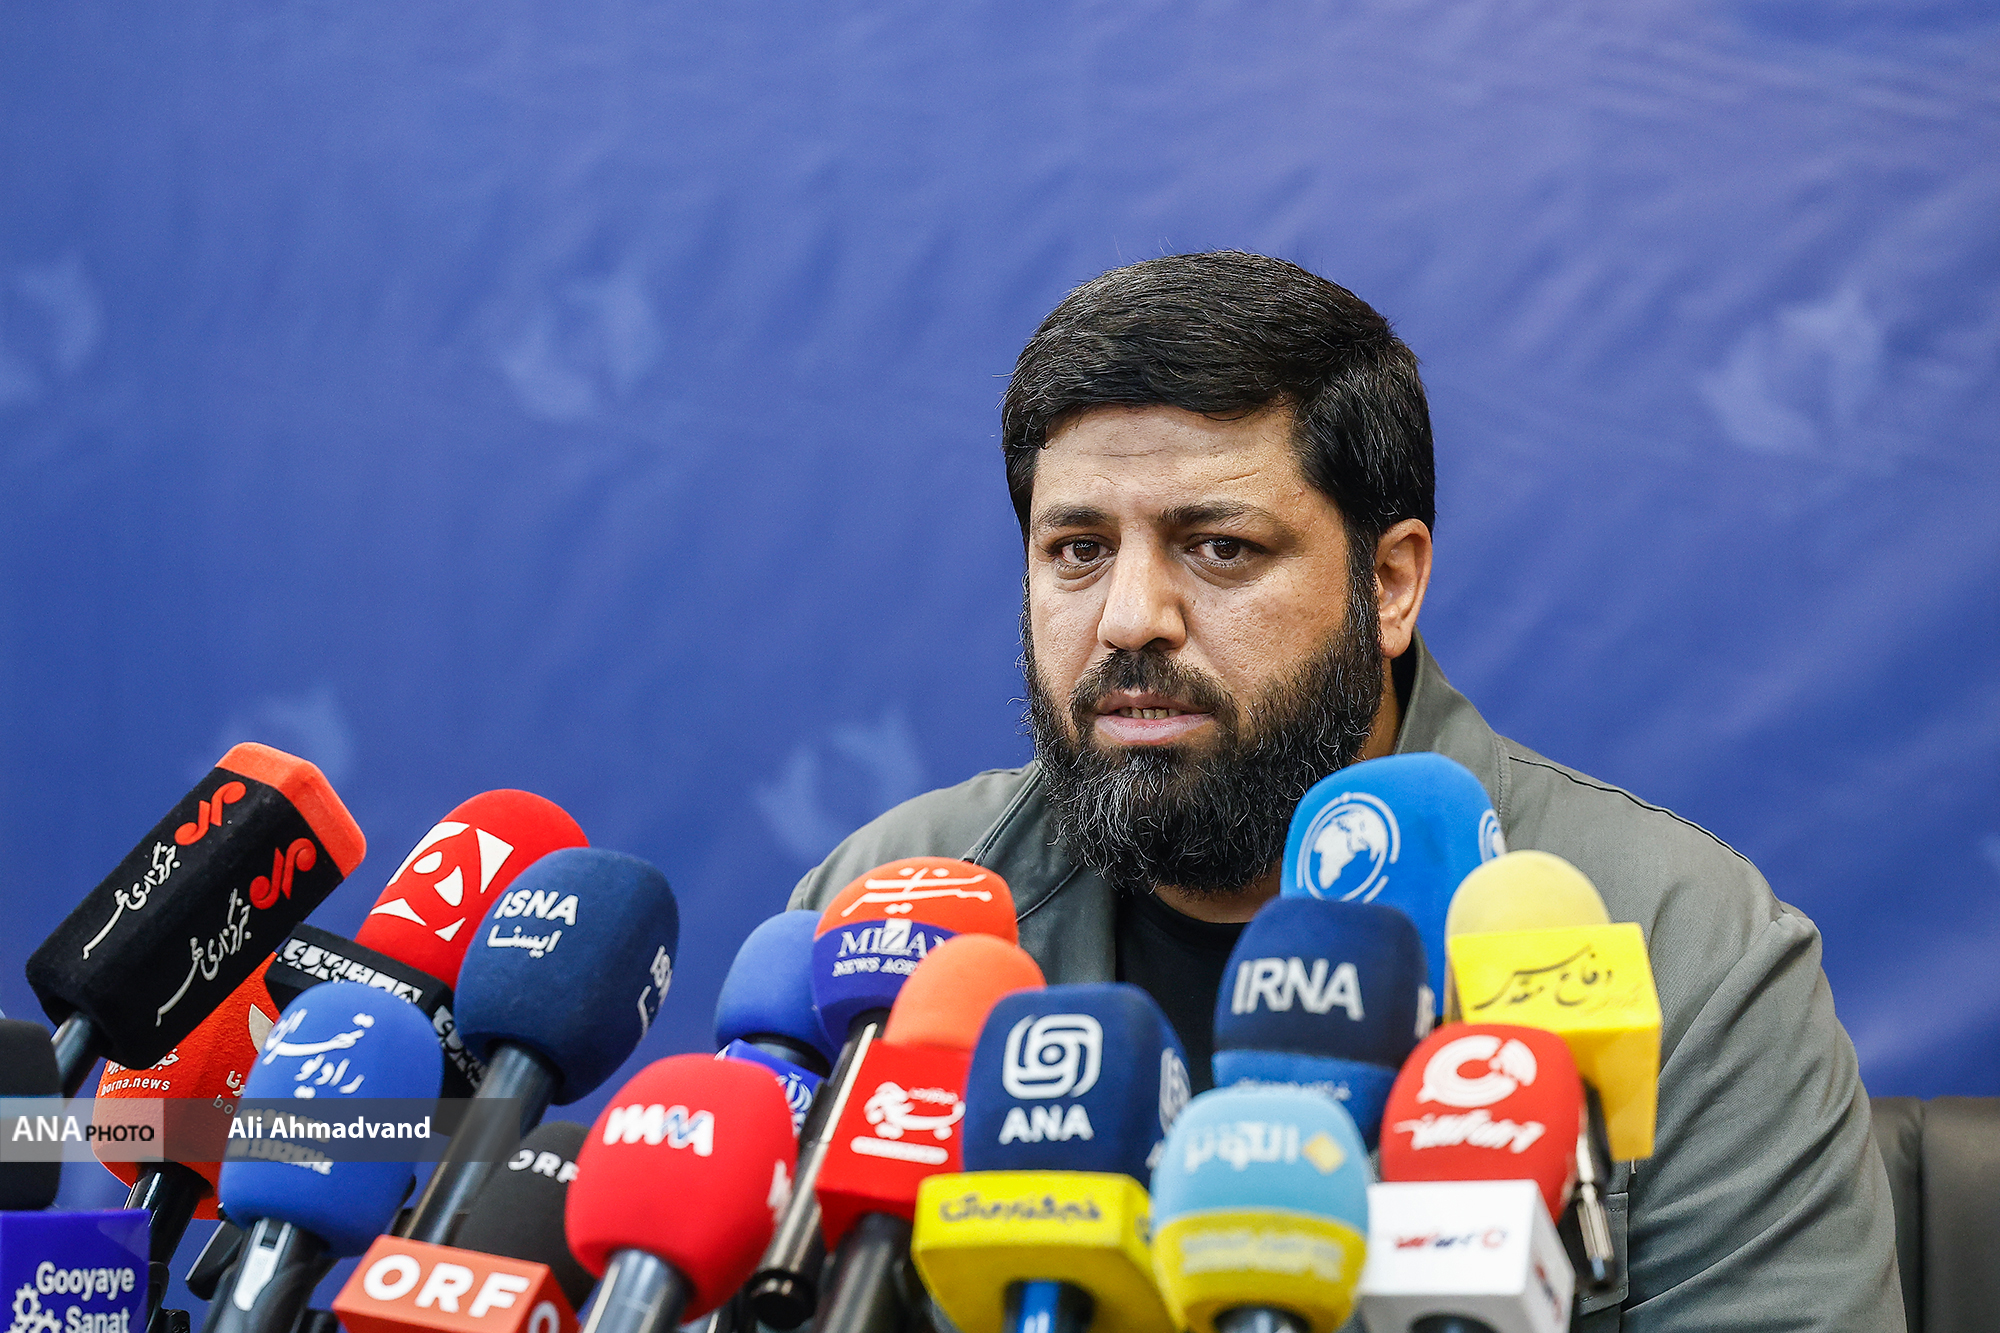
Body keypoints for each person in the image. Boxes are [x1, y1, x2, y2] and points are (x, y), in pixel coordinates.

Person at [789, 251, 1901, 1330]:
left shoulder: (1679, 947)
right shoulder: (882, 915)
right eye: (1077, 550)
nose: (1128, 617)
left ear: (1389, 583)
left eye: (1218, 547)